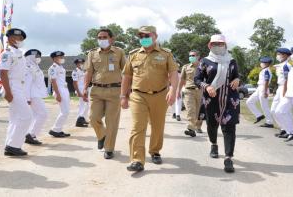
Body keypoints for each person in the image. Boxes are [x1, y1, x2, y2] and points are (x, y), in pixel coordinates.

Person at [121, 26, 178, 172]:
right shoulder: (133, 54)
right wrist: (123, 96)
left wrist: (172, 89)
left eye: (147, 35)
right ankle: (137, 160)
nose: (143, 38)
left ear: (155, 36)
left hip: (160, 95)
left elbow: (173, 73)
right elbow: (127, 76)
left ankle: (155, 151)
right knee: (137, 127)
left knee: (157, 126)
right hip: (138, 95)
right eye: (141, 35)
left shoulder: (166, 54)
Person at [194, 34, 240, 173]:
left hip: (230, 99)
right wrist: (207, 86)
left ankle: (228, 158)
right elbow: (197, 79)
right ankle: (214, 144)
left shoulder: (231, 61)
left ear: (225, 45)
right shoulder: (205, 61)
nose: (218, 46)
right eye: (215, 44)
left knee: (229, 128)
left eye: (220, 44)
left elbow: (236, 76)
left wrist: (237, 80)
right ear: (210, 46)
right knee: (212, 126)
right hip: (211, 100)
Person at [83, 28, 126, 159]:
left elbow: (126, 72)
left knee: (111, 121)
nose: (102, 40)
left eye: (104, 37)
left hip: (114, 91)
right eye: (100, 37)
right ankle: (102, 135)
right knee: (93, 118)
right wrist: (85, 88)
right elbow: (88, 72)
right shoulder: (92, 54)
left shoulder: (119, 52)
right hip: (96, 90)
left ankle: (109, 148)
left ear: (111, 39)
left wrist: (126, 91)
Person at [0, 28, 32, 157]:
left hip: (19, 86)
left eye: (22, 38)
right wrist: (8, 91)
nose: (21, 40)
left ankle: (10, 144)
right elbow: (3, 72)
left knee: (15, 119)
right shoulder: (7, 53)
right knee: (26, 116)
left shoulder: (19, 53)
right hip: (12, 86)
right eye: (18, 38)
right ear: (10, 38)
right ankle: (13, 146)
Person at [24, 49, 48, 145]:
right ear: (31, 57)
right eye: (36, 56)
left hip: (36, 94)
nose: (38, 58)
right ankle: (31, 134)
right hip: (33, 95)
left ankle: (30, 134)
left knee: (36, 115)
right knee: (43, 114)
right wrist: (27, 98)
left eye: (39, 56)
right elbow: (27, 83)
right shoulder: (28, 67)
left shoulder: (35, 66)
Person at [178, 50, 203, 137]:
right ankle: (191, 128)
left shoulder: (203, 67)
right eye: (190, 55)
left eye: (193, 55)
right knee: (190, 110)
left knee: (198, 111)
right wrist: (178, 91)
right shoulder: (186, 67)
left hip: (200, 91)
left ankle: (197, 126)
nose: (191, 57)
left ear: (198, 57)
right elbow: (181, 80)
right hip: (189, 91)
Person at [48, 51, 71, 138]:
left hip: (64, 90)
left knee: (66, 111)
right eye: (59, 57)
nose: (61, 58)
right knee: (64, 111)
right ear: (54, 59)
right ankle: (55, 130)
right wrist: (57, 94)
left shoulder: (61, 67)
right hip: (59, 90)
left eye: (62, 57)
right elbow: (53, 81)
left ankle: (58, 129)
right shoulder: (53, 68)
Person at [246, 56, 274, 128]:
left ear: (267, 63)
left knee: (264, 106)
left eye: (262, 62)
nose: (261, 64)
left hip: (263, 88)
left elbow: (266, 81)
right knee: (249, 101)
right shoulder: (264, 70)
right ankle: (259, 115)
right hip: (260, 88)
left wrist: (265, 92)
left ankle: (269, 122)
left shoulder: (267, 71)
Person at [271, 48, 292, 138]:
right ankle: (283, 128)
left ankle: (289, 130)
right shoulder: (280, 65)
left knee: (284, 111)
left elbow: (288, 79)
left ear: (286, 55)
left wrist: (285, 90)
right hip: (280, 87)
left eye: (280, 54)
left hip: (285, 87)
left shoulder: (287, 66)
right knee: (273, 110)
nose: (278, 56)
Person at [72, 58, 89, 127]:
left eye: (82, 63)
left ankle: (82, 118)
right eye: (80, 63)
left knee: (86, 105)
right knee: (82, 105)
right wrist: (78, 92)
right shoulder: (75, 71)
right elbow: (75, 83)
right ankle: (79, 120)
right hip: (80, 90)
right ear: (76, 64)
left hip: (84, 89)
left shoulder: (82, 71)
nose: (81, 64)